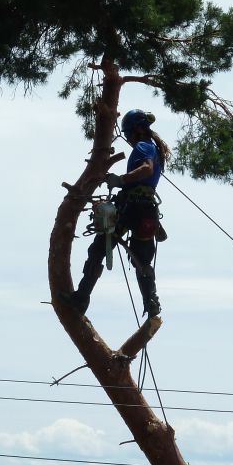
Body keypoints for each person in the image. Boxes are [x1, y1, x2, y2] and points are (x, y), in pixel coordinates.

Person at [69, 109, 169, 318]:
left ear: (137, 130)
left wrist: (121, 180)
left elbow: (147, 169)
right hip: (148, 211)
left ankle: (81, 299)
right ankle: (151, 302)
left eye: (129, 134)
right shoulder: (153, 148)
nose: (129, 139)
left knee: (97, 250)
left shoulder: (143, 146)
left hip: (132, 207)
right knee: (142, 261)